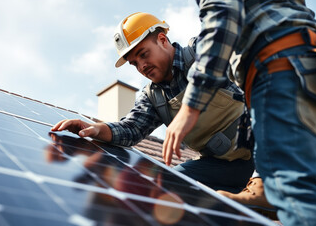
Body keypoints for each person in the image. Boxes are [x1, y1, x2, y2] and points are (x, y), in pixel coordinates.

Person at [163, 0, 316, 225]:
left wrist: (190, 106)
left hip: (279, 65)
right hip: (311, 62)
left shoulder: (191, 52)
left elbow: (223, 13)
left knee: (290, 190)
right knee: (289, 184)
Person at [52, 12, 255, 194]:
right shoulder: (154, 97)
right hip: (225, 167)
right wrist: (95, 129)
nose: (142, 66)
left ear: (162, 39)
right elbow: (131, 129)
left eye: (143, 54)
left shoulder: (200, 52)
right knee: (169, 184)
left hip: (265, 147)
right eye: (134, 63)